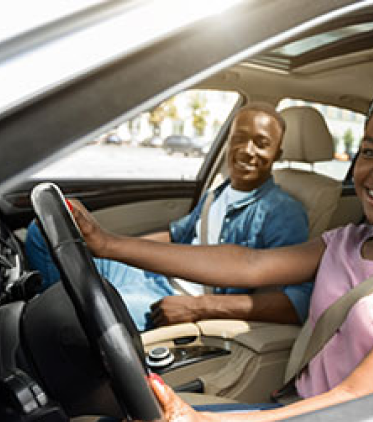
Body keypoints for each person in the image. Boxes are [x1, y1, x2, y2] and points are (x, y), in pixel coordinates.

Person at [71, 74, 373, 422]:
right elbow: (247, 264)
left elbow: (356, 399)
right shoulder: (346, 240)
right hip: (297, 414)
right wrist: (109, 245)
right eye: (371, 152)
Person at [24, 102, 312, 331]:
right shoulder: (219, 191)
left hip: (173, 299)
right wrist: (122, 254)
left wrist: (198, 306)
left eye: (261, 143)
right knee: (44, 232)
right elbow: (176, 234)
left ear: (277, 153)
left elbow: (294, 303)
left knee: (74, 316)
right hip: (152, 276)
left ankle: (60, 329)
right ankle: (60, 323)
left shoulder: (284, 212)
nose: (247, 151)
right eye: (239, 138)